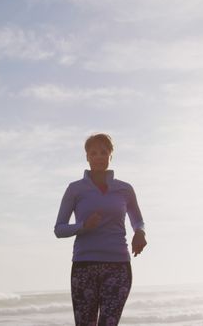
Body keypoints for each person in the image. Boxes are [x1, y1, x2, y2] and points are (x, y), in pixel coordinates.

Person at [54, 133, 147, 326]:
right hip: (84, 266)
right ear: (87, 157)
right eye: (93, 153)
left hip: (118, 265)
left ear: (110, 156)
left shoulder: (124, 189)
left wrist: (140, 233)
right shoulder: (75, 189)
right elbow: (59, 229)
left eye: (103, 152)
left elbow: (138, 220)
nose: (98, 157)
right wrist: (83, 226)